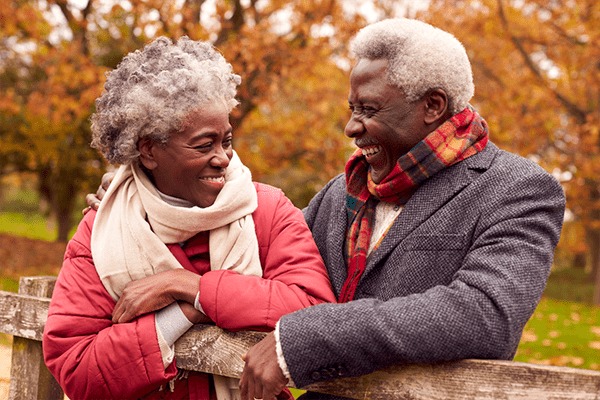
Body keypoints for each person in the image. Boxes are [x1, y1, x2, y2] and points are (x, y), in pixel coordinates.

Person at [86, 19, 566, 400]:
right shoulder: (343, 192)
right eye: (351, 108)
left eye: (369, 110)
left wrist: (300, 340)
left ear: (434, 105)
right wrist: (144, 204)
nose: (351, 128)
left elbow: (483, 314)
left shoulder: (518, 189)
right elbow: (261, 253)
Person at [42, 36, 336, 400]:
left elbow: (313, 311)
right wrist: (182, 316)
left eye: (226, 141)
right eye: (203, 145)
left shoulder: (267, 210)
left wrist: (191, 288)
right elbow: (76, 364)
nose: (223, 158)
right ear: (149, 150)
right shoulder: (102, 230)